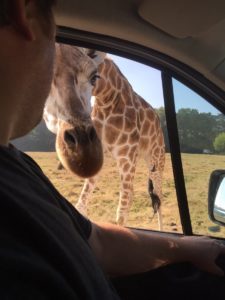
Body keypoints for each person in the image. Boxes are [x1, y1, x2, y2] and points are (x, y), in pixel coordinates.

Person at [0, 1, 224, 299]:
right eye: (55, 53)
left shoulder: (18, 166)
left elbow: (96, 243)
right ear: (24, 14)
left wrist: (183, 247)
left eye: (91, 78)